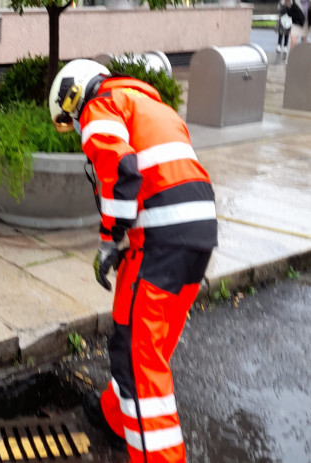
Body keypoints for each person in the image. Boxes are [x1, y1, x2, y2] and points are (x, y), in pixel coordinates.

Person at [49, 60, 217, 463]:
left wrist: (109, 238)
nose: (75, 127)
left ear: (73, 95)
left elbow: (120, 168)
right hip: (195, 235)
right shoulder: (151, 106)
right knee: (143, 342)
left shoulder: (100, 106)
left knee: (139, 360)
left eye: (68, 119)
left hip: (160, 241)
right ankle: (115, 416)